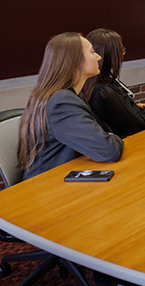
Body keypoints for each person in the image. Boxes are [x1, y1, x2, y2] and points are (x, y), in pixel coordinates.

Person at [18, 32, 124, 180]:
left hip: (64, 176)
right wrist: (113, 138)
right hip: (47, 188)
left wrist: (107, 137)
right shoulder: (62, 102)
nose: (99, 57)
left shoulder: (71, 95)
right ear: (75, 61)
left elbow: (102, 136)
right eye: (93, 52)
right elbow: (109, 150)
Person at [83, 28, 145, 137]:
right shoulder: (104, 92)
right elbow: (141, 125)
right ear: (110, 55)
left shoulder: (100, 83)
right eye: (121, 50)